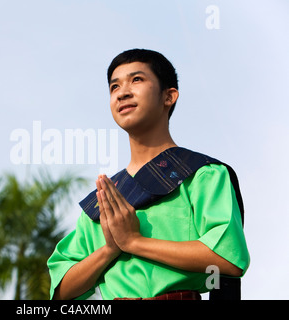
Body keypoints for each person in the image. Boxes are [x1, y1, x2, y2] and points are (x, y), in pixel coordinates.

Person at [47, 48, 250, 300]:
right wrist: (110, 249)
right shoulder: (105, 202)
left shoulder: (202, 175)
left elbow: (227, 258)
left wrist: (134, 242)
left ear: (169, 96)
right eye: (114, 87)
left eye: (137, 80)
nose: (123, 92)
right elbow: (61, 291)